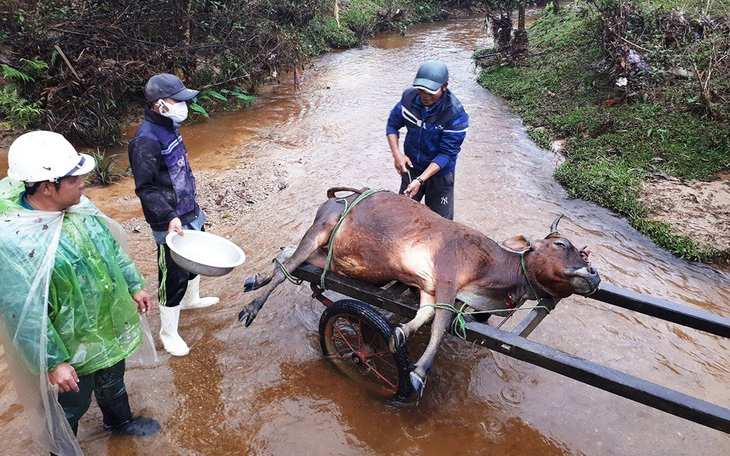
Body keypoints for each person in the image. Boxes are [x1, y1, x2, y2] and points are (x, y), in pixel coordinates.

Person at [0, 131, 160, 455]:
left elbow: (111, 248)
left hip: (106, 324)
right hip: (68, 347)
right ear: (47, 187)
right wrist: (53, 361)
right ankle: (61, 448)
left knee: (113, 381)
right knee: (69, 404)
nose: (84, 182)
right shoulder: (15, 242)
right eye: (75, 178)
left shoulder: (77, 205)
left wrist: (134, 285)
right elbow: (24, 314)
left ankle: (119, 422)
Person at [128, 73, 218, 357]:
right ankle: (168, 333)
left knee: (196, 260)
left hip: (188, 210)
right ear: (159, 104)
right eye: (176, 100)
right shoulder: (144, 140)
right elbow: (145, 188)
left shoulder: (170, 126)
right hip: (168, 220)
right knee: (173, 275)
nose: (182, 105)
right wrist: (168, 215)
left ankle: (191, 301)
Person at [386, 60, 469, 220]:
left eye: (431, 91)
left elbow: (446, 154)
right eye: (421, 89)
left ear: (444, 86)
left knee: (440, 224)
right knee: (402, 217)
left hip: (439, 175)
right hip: (411, 168)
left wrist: (421, 180)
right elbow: (392, 125)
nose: (425, 95)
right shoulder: (408, 99)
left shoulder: (455, 114)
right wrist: (397, 155)